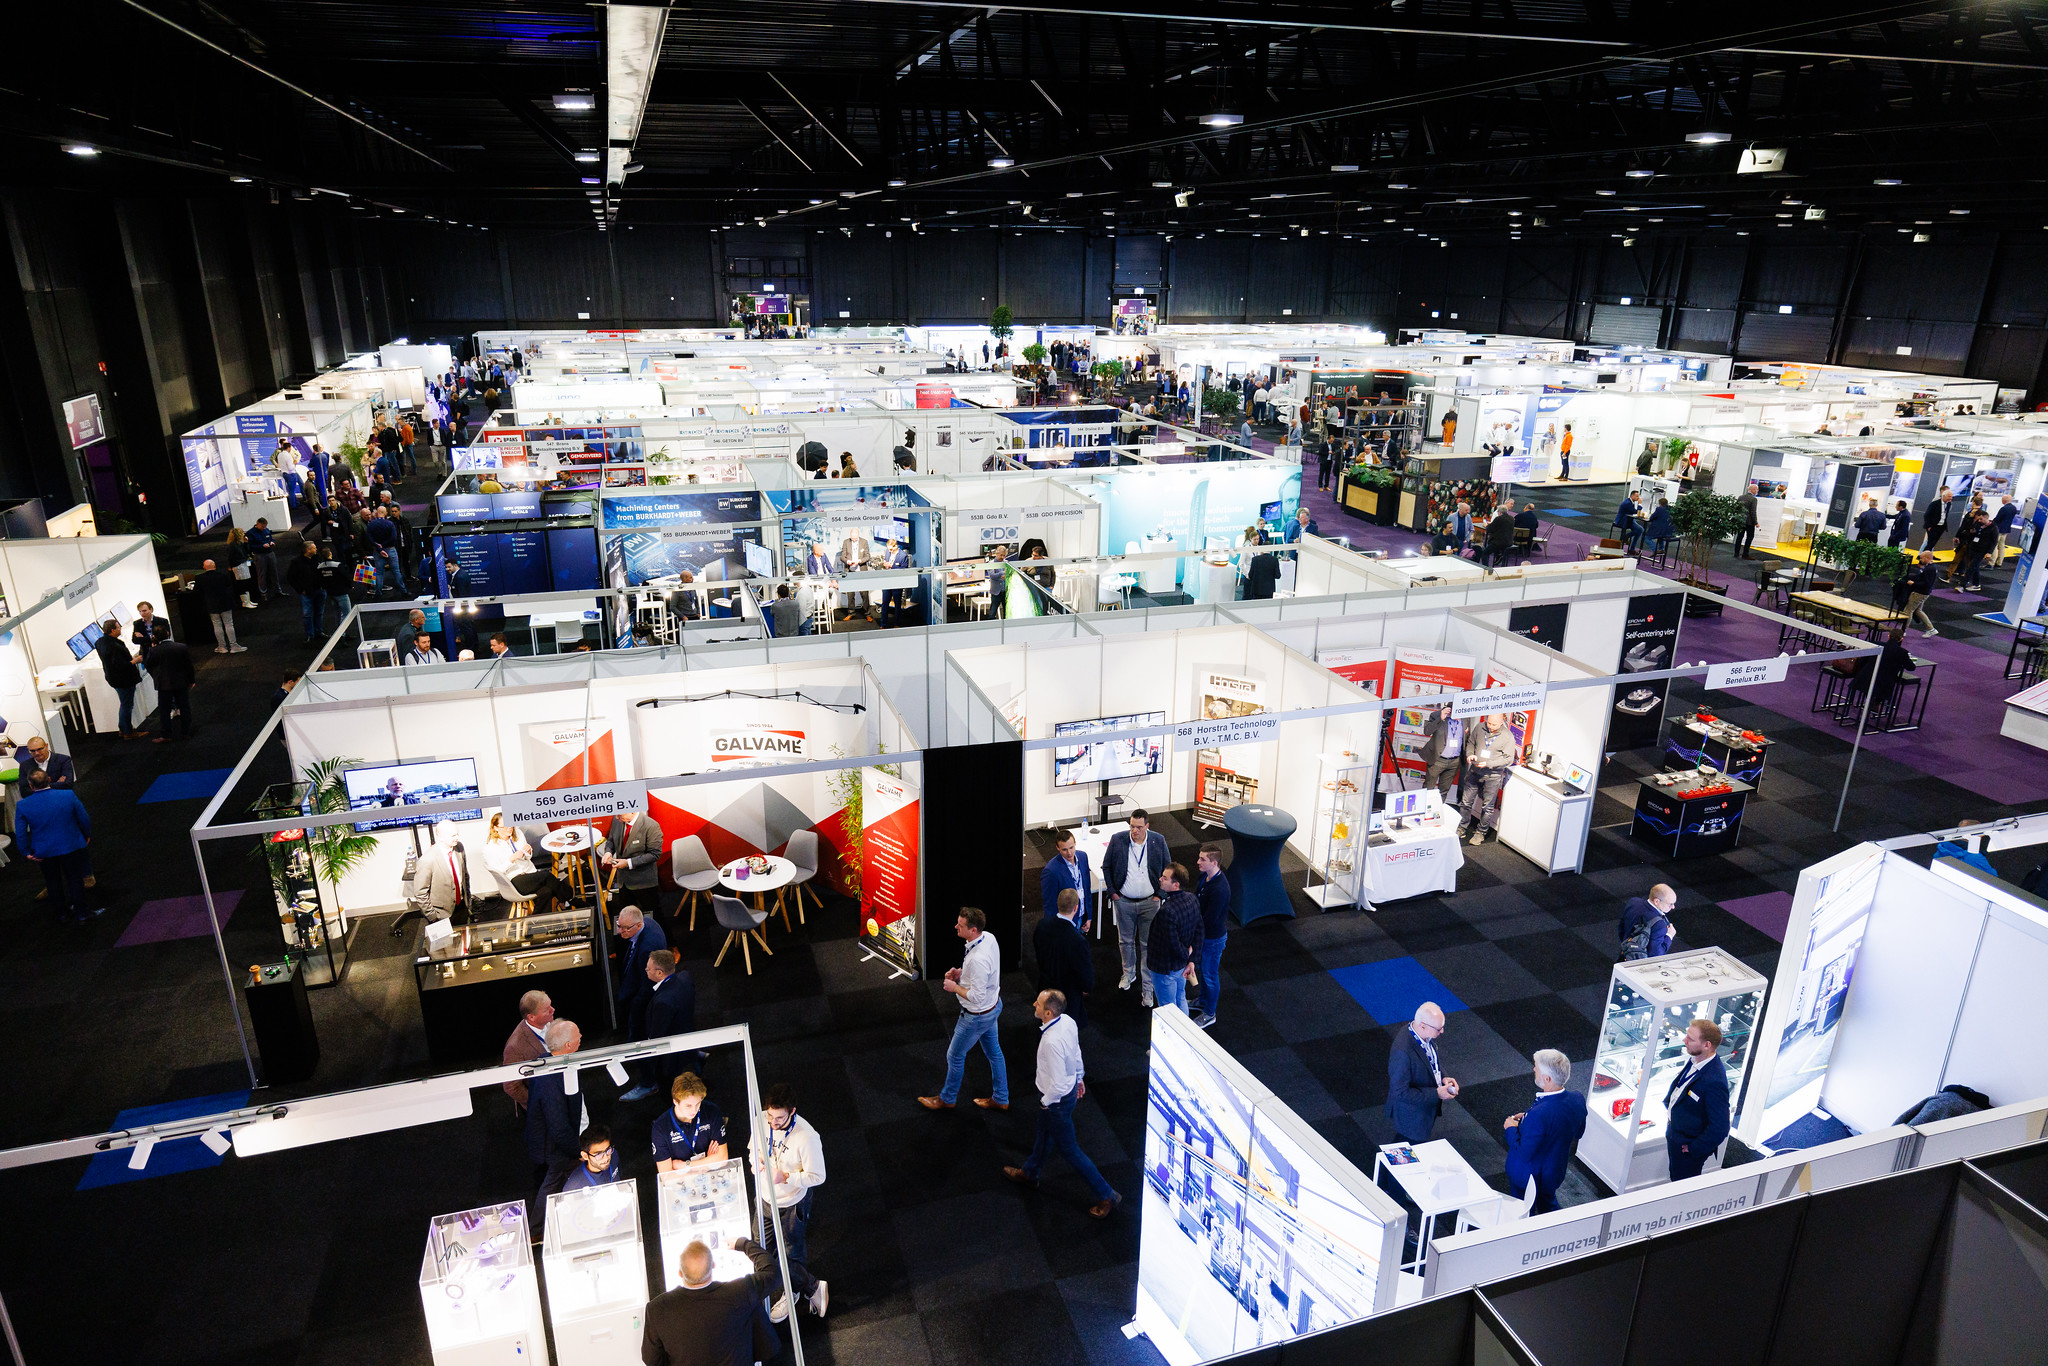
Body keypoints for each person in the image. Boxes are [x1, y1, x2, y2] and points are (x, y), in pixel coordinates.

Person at [1003, 989, 1121, 1217]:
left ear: (1048, 1013)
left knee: (1070, 1151)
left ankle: (1107, 1195)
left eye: (1038, 1004)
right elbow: (1076, 1052)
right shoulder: (1067, 1021)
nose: (1033, 1005)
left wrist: (1045, 1102)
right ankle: (1030, 1173)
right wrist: (1079, 1077)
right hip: (1066, 1095)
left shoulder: (1051, 1042)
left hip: (1055, 1102)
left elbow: (1056, 1085)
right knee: (1044, 1135)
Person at [641, 1235, 781, 1366]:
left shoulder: (657, 1309)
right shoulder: (740, 1292)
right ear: (713, 1265)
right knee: (751, 1305)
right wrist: (743, 1244)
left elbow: (652, 1360)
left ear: (680, 1273)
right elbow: (772, 1273)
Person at [919, 907, 1009, 1110]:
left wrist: (955, 987)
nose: (955, 927)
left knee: (955, 1056)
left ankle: (947, 1099)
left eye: (960, 925)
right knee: (994, 1053)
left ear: (973, 930)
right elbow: (985, 973)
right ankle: (1001, 1098)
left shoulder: (977, 960)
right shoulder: (988, 938)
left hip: (976, 1016)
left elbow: (976, 997)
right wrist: (962, 974)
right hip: (992, 1007)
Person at [758, 1082, 828, 1321]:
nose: (773, 1122)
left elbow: (818, 1176)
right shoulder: (761, 1120)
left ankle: (795, 1291)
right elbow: (753, 1150)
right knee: (761, 1248)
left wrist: (786, 1176)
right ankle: (811, 1285)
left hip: (792, 1202)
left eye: (779, 1118)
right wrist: (756, 1163)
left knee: (791, 1252)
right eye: (770, 1116)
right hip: (765, 1197)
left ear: (792, 1112)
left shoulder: (807, 1137)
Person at [1503, 1050, 1589, 1214]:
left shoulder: (1539, 1114)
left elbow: (1523, 1152)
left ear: (1547, 1079)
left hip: (1527, 1177)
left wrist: (1511, 1128)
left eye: (1536, 1067)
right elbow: (1578, 1132)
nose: (1534, 1069)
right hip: (1555, 1171)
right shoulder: (1577, 1099)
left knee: (1521, 1212)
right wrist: (1527, 1119)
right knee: (1548, 1206)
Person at [1104, 809, 1170, 1007]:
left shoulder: (1158, 840)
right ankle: (1128, 974)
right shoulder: (1118, 840)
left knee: (1148, 945)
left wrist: (1160, 894)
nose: (1135, 831)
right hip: (1123, 901)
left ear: (1147, 826)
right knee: (1125, 941)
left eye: (1139, 827)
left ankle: (1148, 988)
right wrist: (1113, 893)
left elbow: (1168, 868)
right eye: (1132, 826)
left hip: (1150, 903)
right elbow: (1106, 866)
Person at [525, 1019, 585, 1233]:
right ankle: (536, 1231)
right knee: (553, 1181)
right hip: (555, 1146)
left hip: (557, 1140)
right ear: (568, 1045)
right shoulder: (551, 1080)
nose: (581, 1038)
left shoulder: (548, 1062)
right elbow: (558, 1127)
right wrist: (578, 1151)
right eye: (578, 1035)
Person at [17, 771, 96, 923]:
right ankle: (82, 913)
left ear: (31, 786)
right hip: (71, 845)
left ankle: (62, 914)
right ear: (49, 780)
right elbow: (83, 818)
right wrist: (86, 835)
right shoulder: (68, 795)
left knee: (52, 882)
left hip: (44, 851)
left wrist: (25, 851)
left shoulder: (23, 805)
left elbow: (20, 832)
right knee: (75, 879)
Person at [1666, 1018, 1731, 1181]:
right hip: (1676, 1134)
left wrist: (1693, 1149)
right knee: (1674, 1176)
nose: (1684, 1040)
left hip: (1687, 1147)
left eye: (1690, 1038)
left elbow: (1720, 1127)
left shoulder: (1714, 1081)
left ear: (1707, 1045)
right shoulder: (1696, 1058)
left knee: (1682, 1185)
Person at [1387, 1003, 1458, 1144]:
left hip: (1422, 1111)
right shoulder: (1402, 1052)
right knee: (1408, 1145)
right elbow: (1400, 1092)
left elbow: (1429, 1061)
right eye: (1438, 1028)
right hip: (1412, 1116)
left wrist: (1444, 1077)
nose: (1442, 1031)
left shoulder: (1420, 1033)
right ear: (1423, 1026)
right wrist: (1436, 1094)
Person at [480, 813, 577, 910]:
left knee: (547, 892)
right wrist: (511, 859)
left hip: (530, 872)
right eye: (505, 826)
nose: (510, 828)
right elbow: (498, 871)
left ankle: (538, 919)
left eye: (511, 825)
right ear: (496, 828)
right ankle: (570, 898)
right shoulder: (490, 848)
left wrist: (528, 852)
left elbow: (527, 857)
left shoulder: (517, 833)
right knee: (546, 876)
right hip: (514, 879)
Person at [1033, 888, 1095, 1028]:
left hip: (1045, 988)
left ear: (1058, 904)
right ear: (1076, 908)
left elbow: (1038, 952)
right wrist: (1087, 987)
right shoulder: (1078, 940)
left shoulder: (1042, 926)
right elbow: (1084, 971)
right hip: (1068, 997)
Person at [1146, 862, 1202, 1014]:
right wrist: (1191, 960)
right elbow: (1199, 931)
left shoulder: (1167, 911)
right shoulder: (1192, 899)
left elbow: (1172, 943)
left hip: (1165, 968)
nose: (1160, 879)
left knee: (1167, 1009)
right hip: (1181, 966)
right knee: (1180, 997)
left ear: (1176, 885)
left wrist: (1187, 955)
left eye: (1165, 878)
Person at [640, 950, 697, 1094]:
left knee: (669, 1084)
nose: (646, 969)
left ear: (660, 973)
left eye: (648, 968)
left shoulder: (663, 1001)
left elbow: (657, 1034)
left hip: (671, 1054)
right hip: (686, 1031)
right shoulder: (685, 977)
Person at [1458, 712, 1516, 846]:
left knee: (1487, 807)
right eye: (1488, 722)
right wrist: (1470, 754)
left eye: (1493, 724)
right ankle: (1462, 827)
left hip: (1492, 776)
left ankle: (1480, 832)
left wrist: (1489, 764)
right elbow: (1471, 742)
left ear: (1501, 723)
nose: (1490, 726)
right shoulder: (1480, 727)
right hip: (1474, 771)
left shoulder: (1508, 737)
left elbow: (1508, 759)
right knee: (1466, 802)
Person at [613, 905, 669, 1044]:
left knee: (636, 1027)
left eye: (626, 928)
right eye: (619, 926)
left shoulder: (647, 950)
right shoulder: (647, 922)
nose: (620, 931)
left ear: (638, 925)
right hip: (636, 978)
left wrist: (635, 1005)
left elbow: (648, 986)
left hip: (641, 994)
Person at [651, 1072, 728, 1170]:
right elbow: (666, 1175)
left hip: (699, 1174)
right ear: (675, 1101)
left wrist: (685, 1166)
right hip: (686, 1179)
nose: (694, 1110)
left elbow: (723, 1159)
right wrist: (707, 1163)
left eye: (698, 1103)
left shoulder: (711, 1111)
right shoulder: (660, 1127)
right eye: (688, 1106)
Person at [602, 803, 664, 922]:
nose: (616, 817)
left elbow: (655, 854)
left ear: (632, 811)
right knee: (627, 917)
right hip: (623, 881)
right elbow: (611, 840)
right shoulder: (617, 821)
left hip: (643, 882)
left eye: (620, 815)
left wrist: (628, 863)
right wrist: (608, 852)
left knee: (654, 916)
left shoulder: (651, 826)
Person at [1192, 844, 1230, 1029]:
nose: (1198, 862)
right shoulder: (1204, 877)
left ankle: (1209, 1013)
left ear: (1214, 863)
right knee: (1204, 972)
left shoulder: (1220, 889)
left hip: (1212, 939)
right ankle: (1202, 1001)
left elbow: (1209, 920)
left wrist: (1193, 936)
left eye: (1203, 859)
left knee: (1210, 975)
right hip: (1204, 936)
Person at [501, 989, 553, 1113]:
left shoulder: (548, 1022)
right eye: (546, 1009)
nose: (553, 1010)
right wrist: (538, 1102)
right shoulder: (515, 1047)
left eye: (550, 1005)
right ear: (531, 1017)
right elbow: (511, 1086)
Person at [93, 621, 145, 738]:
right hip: (123, 679)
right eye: (118, 627)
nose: (120, 628)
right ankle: (128, 732)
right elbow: (121, 666)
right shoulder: (114, 646)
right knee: (127, 705)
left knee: (124, 704)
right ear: (112, 630)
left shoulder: (100, 642)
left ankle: (123, 728)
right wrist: (135, 661)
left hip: (113, 678)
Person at [1039, 829, 1093, 933]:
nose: (1069, 853)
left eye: (1071, 847)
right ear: (1057, 848)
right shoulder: (1051, 871)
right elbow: (1050, 905)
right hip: (1065, 924)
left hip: (1082, 917)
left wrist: (1089, 916)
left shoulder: (1083, 857)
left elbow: (1087, 888)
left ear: (1075, 843)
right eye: (1064, 849)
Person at [147, 636, 196, 742]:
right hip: (181, 683)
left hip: (164, 685)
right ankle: (186, 732)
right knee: (184, 707)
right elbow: (189, 665)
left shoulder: (154, 651)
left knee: (164, 710)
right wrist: (191, 680)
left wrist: (157, 677)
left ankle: (166, 735)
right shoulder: (181, 647)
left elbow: (149, 665)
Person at [195, 558, 244, 654]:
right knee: (229, 624)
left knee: (217, 625)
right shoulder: (223, 575)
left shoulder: (200, 578)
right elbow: (229, 587)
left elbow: (197, 592)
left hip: (211, 605)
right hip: (225, 603)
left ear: (204, 567)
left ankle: (222, 647)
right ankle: (234, 646)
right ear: (214, 566)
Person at [1618, 883, 1678, 959]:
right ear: (1656, 901)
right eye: (1670, 904)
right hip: (1639, 961)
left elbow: (1621, 927)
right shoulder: (1660, 925)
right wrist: (1669, 936)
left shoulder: (1633, 902)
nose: (1673, 907)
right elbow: (1656, 955)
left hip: (1625, 952)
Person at [1418, 705, 1463, 805]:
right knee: (1428, 788)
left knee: (1444, 790)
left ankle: (1437, 810)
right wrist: (1440, 718)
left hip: (1454, 762)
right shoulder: (1436, 715)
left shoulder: (1466, 718)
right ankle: (1423, 809)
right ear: (1449, 711)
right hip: (1438, 759)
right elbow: (1427, 731)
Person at [1895, 551, 1941, 638]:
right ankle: (1931, 629)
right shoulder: (1933, 567)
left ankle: (1903, 630)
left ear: (1927, 558)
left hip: (1919, 593)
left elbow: (1926, 583)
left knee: (1908, 610)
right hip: (1925, 593)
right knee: (1918, 610)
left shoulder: (1929, 569)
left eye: (1921, 558)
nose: (1920, 560)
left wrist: (1913, 584)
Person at [562, 1125, 621, 1192]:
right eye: (598, 1154)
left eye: (608, 1150)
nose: (606, 1158)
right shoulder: (574, 1187)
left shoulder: (614, 1155)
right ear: (585, 1156)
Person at [1955, 510, 1997, 591]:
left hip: (1982, 550)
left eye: (1981, 519)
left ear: (1986, 518)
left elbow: (1994, 542)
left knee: (1971, 567)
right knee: (1975, 567)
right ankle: (1976, 584)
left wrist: (1989, 552)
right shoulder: (1978, 524)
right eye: (1979, 519)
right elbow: (1972, 533)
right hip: (1973, 547)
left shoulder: (1993, 528)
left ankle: (1962, 585)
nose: (1979, 521)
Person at [1923, 485, 1955, 552]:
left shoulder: (1949, 504)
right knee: (1930, 543)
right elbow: (1927, 515)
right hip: (1933, 526)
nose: (1951, 498)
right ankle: (1923, 556)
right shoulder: (1935, 503)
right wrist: (1928, 526)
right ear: (1944, 496)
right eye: (1949, 496)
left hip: (1941, 527)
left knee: (1933, 543)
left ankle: (1926, 555)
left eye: (1951, 497)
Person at [1993, 493, 2020, 565]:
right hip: (2006, 529)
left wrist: (1991, 523)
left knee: (1994, 545)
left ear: (2005, 500)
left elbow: (1998, 518)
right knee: (2001, 545)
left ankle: (1991, 562)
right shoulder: (2014, 508)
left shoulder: (2004, 508)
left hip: (1999, 529)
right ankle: (1999, 562)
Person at [1734, 483, 1759, 559]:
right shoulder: (1753, 499)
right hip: (1749, 522)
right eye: (1756, 489)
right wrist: (1756, 522)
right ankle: (1745, 554)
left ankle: (1736, 553)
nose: (1757, 491)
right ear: (1753, 490)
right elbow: (1753, 512)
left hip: (1741, 520)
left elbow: (1737, 508)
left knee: (1739, 537)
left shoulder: (1741, 497)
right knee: (1749, 537)